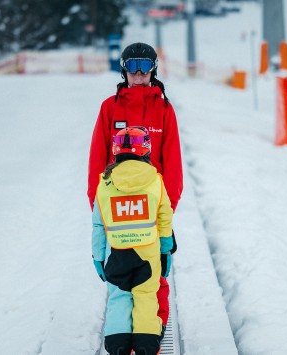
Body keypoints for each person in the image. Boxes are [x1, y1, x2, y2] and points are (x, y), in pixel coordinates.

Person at [88, 42, 182, 343]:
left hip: (153, 208)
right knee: (120, 277)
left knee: (155, 279)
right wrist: (99, 207)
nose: (139, 73)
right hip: (116, 209)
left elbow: (173, 164)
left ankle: (151, 334)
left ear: (153, 69)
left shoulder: (164, 109)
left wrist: (166, 208)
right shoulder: (109, 108)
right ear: (124, 69)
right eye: (133, 66)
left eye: (145, 66)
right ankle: (121, 337)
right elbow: (96, 160)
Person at [92, 126, 175, 355]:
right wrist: (165, 250)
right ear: (146, 149)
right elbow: (164, 216)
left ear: (116, 150)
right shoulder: (155, 181)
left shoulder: (105, 183)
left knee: (119, 296)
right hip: (147, 254)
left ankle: (118, 344)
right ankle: (146, 345)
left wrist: (98, 257)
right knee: (146, 296)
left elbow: (98, 224)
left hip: (117, 253)